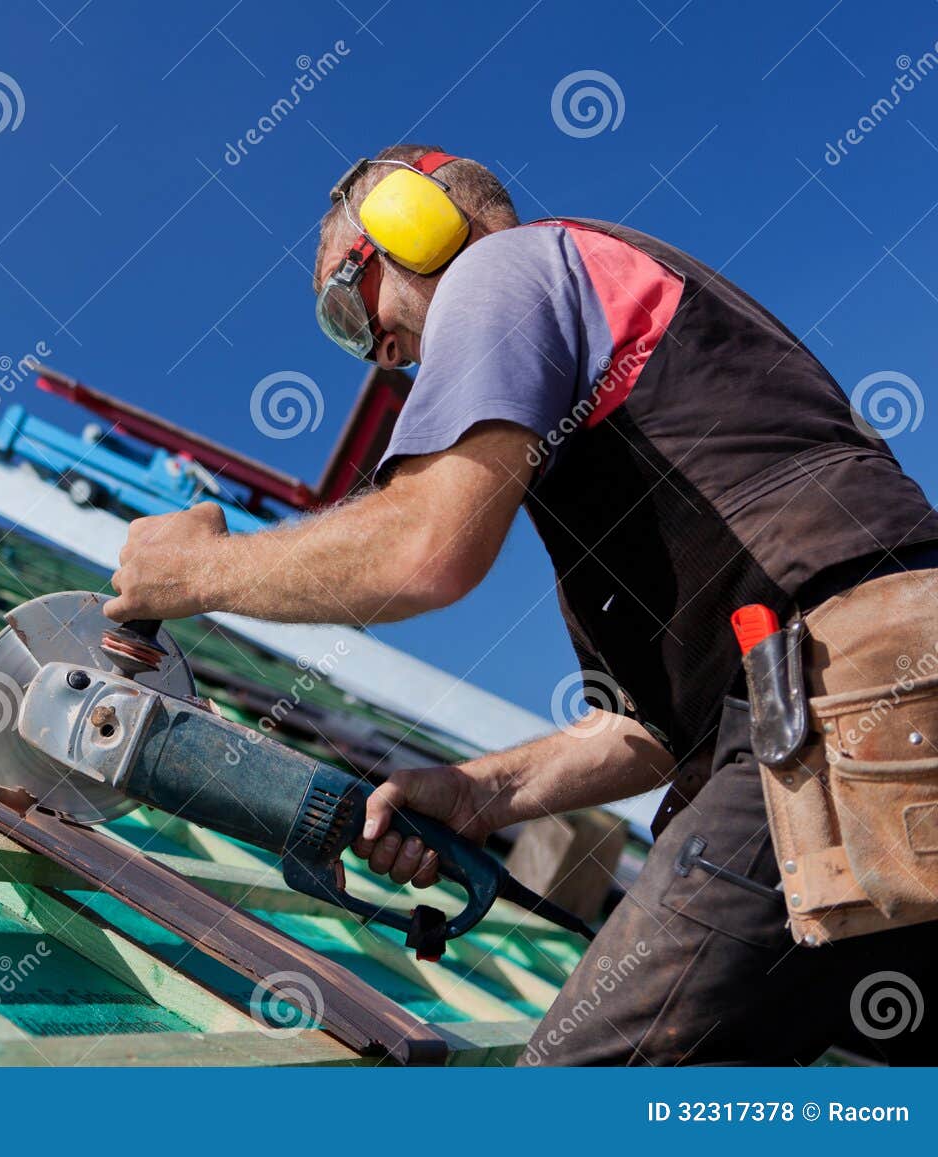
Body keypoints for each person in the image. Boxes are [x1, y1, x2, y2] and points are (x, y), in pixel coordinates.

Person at [103, 143, 938, 1064]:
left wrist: (191, 575)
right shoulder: (625, 409)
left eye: (349, 307)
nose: (379, 355)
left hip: (832, 701)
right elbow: (651, 731)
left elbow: (426, 550)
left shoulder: (503, 268)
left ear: (411, 227)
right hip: (867, 705)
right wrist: (479, 793)